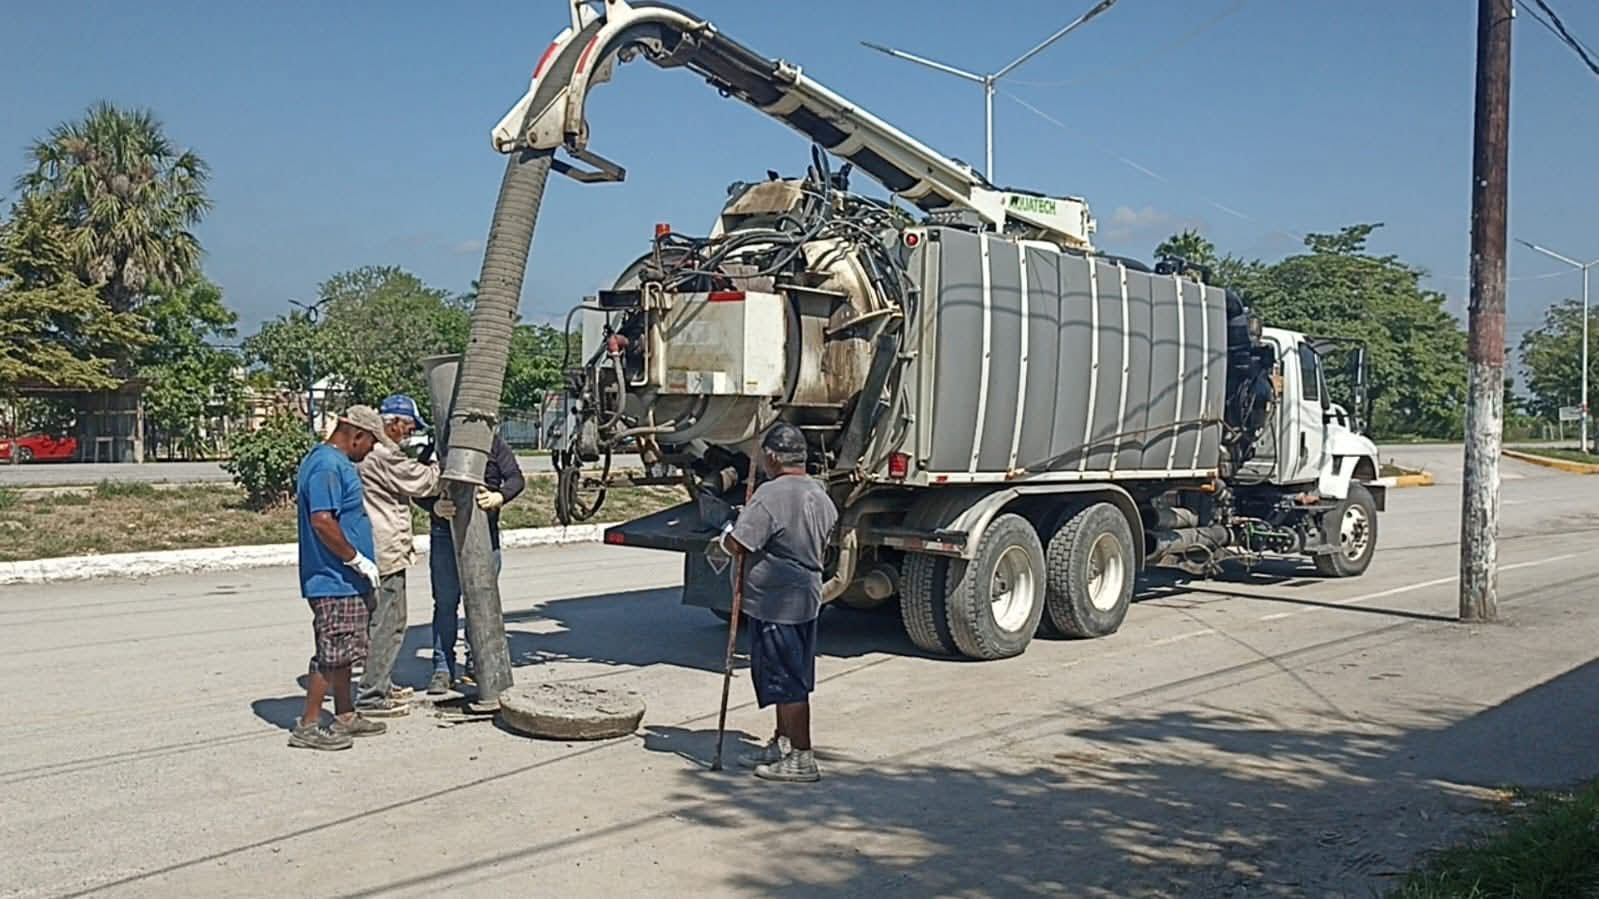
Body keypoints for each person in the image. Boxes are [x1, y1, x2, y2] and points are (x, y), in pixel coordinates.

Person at [725, 422, 837, 783]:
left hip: (777, 602)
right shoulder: (819, 493)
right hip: (805, 595)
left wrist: (727, 535)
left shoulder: (771, 495)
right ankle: (783, 741)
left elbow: (741, 543)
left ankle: (803, 758)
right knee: (787, 675)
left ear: (772, 457)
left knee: (788, 681)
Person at [291, 406, 390, 751]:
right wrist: (355, 558)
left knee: (345, 650)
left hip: (345, 580)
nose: (371, 450)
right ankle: (308, 724)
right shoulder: (327, 466)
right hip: (333, 578)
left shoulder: (335, 463)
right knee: (331, 651)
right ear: (356, 435)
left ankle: (345, 714)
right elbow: (322, 520)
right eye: (371, 443)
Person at [351, 395, 441, 718]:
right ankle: (372, 695)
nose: (410, 433)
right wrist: (442, 464)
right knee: (388, 624)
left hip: (378, 549)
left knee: (389, 621)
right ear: (393, 423)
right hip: (385, 550)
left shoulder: (372, 454)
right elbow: (422, 482)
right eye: (409, 426)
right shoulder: (380, 456)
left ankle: (381, 683)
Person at [418, 432, 525, 695]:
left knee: (481, 600)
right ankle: (442, 669)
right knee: (445, 603)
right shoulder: (439, 445)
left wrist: (499, 496)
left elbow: (516, 479)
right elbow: (417, 486)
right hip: (445, 532)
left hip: (484, 532)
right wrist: (433, 506)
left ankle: (477, 663)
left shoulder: (494, 443)